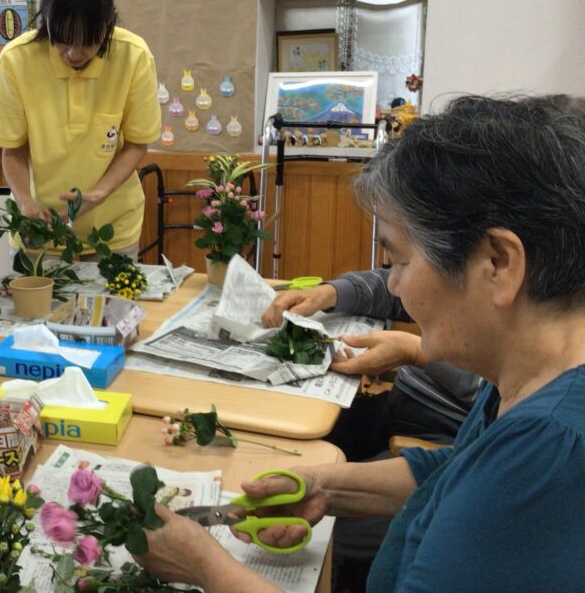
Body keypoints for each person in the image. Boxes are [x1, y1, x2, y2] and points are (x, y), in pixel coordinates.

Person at [136, 95, 585, 591]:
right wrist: (324, 486)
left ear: (499, 263)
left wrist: (206, 567)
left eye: (400, 260)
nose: (392, 286)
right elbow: (455, 470)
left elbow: (489, 483)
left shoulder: (547, 460)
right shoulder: (528, 382)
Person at [0, 0, 161, 259]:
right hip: (41, 230)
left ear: (109, 22)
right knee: (37, 307)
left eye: (89, 42)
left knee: (113, 307)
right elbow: (13, 150)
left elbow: (137, 143)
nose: (73, 53)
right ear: (46, 19)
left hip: (112, 229)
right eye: (62, 40)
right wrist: (27, 206)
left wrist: (96, 196)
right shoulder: (16, 61)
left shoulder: (134, 56)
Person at [262, 271, 481, 462]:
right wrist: (330, 293)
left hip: (444, 442)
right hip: (401, 403)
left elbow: (492, 387)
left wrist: (415, 352)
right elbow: (401, 288)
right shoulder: (470, 269)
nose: (395, 283)